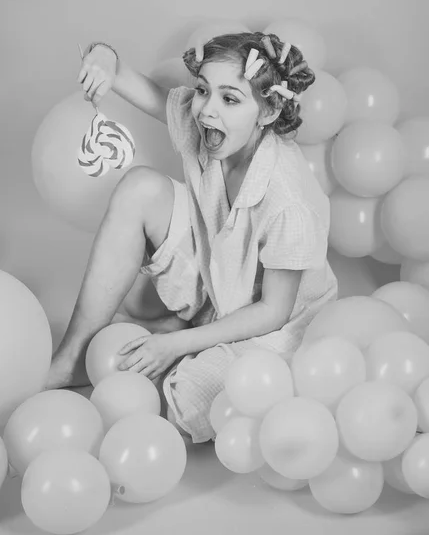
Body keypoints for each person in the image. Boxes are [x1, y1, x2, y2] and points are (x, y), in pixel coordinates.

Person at [46, 31, 338, 443]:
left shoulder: (288, 201)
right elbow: (133, 82)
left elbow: (273, 311)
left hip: (275, 331)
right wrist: (103, 57)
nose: (206, 112)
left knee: (179, 405)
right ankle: (71, 356)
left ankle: (180, 335)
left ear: (268, 112)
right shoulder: (204, 123)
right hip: (218, 278)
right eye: (203, 90)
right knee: (140, 187)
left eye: (230, 99)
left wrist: (179, 345)